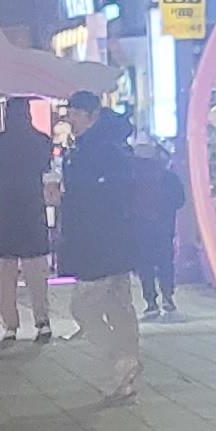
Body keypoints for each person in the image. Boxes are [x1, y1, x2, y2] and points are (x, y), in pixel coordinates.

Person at [57, 90, 147, 405]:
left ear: (92, 114)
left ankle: (122, 361)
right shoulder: (99, 146)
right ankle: (125, 373)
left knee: (84, 307)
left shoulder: (99, 150)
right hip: (112, 240)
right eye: (70, 113)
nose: (71, 119)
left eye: (77, 114)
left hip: (99, 241)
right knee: (119, 307)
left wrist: (71, 199)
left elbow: (104, 195)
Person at [0, 101, 56, 343]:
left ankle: (10, 325)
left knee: (6, 272)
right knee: (36, 269)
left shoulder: (0, 141)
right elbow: (45, 166)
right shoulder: (41, 140)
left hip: (6, 208)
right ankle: (42, 320)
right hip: (32, 207)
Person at [129, 130, 185, 321]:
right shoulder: (167, 177)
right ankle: (167, 297)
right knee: (164, 263)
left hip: (141, 228)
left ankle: (151, 302)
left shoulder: (132, 178)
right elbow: (180, 200)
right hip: (163, 227)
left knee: (145, 265)